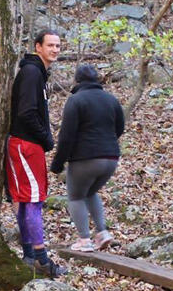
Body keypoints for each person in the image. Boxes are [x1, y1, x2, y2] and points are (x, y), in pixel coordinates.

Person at [50, 64, 125, 253]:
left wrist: (58, 163)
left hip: (85, 159)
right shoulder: (111, 99)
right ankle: (102, 232)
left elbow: (66, 136)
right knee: (90, 192)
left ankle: (84, 240)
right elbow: (120, 127)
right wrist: (107, 144)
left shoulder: (76, 100)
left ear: (77, 81)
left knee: (75, 197)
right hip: (111, 158)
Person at [7, 29, 64, 277]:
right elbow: (26, 112)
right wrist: (46, 138)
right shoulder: (31, 73)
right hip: (26, 145)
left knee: (28, 199)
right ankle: (40, 258)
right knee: (32, 200)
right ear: (38, 47)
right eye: (50, 45)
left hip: (28, 144)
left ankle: (30, 255)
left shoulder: (37, 72)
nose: (55, 50)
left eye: (58, 46)